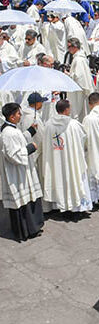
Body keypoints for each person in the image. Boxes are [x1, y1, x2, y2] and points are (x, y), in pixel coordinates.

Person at [40, 99, 92, 214]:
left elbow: (45, 143)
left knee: (59, 179)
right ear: (67, 109)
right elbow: (83, 138)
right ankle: (77, 208)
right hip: (72, 160)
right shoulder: (73, 124)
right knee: (74, 178)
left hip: (56, 160)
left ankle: (60, 206)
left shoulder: (48, 125)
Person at [0, 103, 44, 241]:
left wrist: (30, 131)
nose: (21, 115)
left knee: (28, 199)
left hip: (22, 171)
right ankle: (26, 230)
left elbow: (18, 140)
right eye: (19, 114)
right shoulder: (8, 133)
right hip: (17, 174)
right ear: (12, 117)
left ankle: (32, 228)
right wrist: (31, 147)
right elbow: (13, 154)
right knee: (22, 200)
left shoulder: (11, 129)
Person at [66, 37, 95, 122]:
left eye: (69, 47)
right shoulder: (79, 58)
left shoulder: (78, 59)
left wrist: (68, 75)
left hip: (78, 91)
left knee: (77, 112)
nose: (68, 49)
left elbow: (79, 77)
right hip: (78, 90)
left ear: (74, 47)